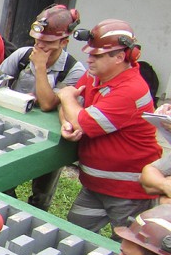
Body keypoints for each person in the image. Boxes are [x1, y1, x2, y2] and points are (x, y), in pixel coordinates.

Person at [57, 20, 160, 232]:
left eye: (97, 55)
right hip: (95, 186)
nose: (89, 59)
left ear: (120, 57)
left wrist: (66, 98)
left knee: (129, 249)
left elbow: (80, 116)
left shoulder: (131, 89)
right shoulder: (95, 76)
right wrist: (67, 123)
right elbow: (72, 110)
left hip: (128, 193)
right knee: (74, 235)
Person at [0, 4, 86, 210]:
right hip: (14, 130)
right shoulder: (22, 55)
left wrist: (41, 68)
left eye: (48, 42)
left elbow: (47, 104)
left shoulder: (74, 69)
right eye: (38, 39)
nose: (40, 45)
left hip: (50, 139)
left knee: (41, 196)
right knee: (3, 183)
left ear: (64, 41)